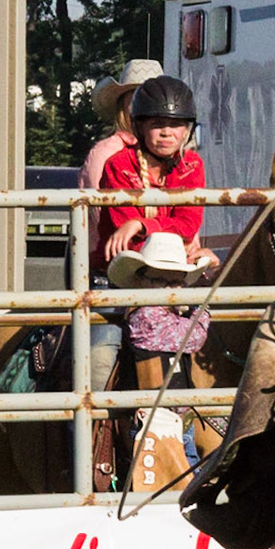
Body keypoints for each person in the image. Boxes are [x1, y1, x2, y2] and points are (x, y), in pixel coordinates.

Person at [97, 76, 217, 393]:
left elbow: (188, 223)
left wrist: (142, 224)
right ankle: (90, 420)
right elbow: (129, 242)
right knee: (99, 356)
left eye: (176, 125)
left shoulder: (192, 165)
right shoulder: (117, 165)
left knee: (222, 342)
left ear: (187, 130)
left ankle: (206, 416)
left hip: (176, 275)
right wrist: (139, 227)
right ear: (139, 126)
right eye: (156, 124)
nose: (166, 132)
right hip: (119, 278)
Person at [79, 59, 162, 400]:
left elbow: (189, 218)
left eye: (152, 97)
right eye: (136, 97)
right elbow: (110, 222)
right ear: (122, 106)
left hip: (168, 277)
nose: (144, 105)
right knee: (99, 364)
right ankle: (85, 428)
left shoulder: (178, 157)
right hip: (113, 279)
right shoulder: (106, 154)